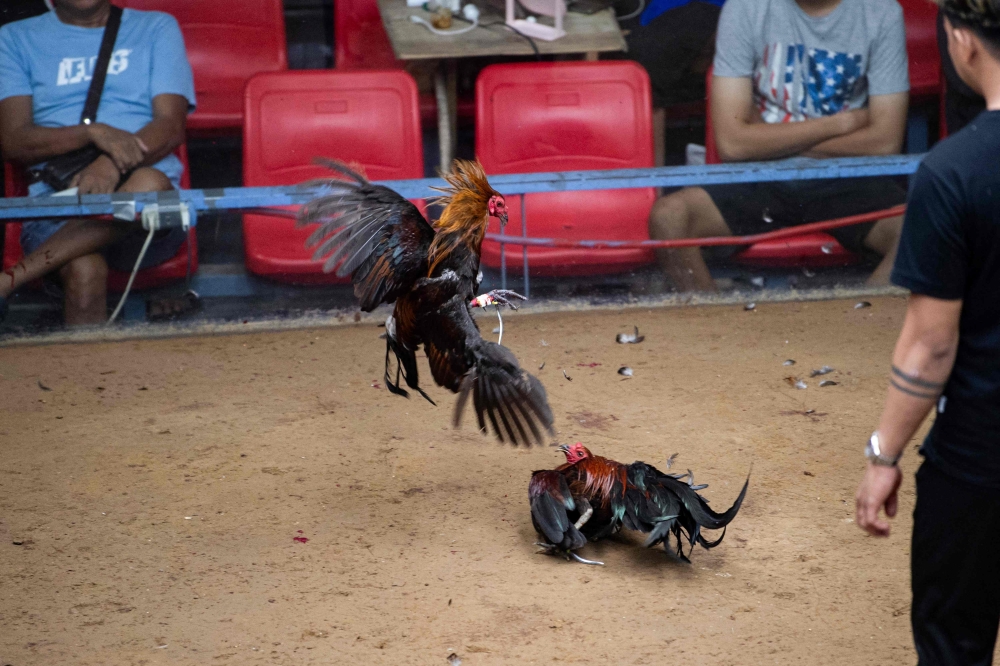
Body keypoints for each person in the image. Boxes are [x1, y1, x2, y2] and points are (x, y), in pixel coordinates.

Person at [854, 1, 1000, 663]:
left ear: (962, 42)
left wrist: (884, 455)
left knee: (954, 646)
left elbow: (931, 343)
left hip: (980, 460)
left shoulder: (953, 171)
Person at [648, 0, 910, 292]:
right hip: (760, 176)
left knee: (924, 229)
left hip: (846, 177)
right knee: (669, 218)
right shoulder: (746, 8)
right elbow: (733, 145)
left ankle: (854, 325)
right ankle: (717, 329)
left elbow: (885, 142)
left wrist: (767, 137)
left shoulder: (881, 12)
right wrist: (843, 123)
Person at [0, 0, 195, 325]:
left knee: (149, 182)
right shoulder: (14, 38)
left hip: (153, 218)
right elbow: (13, 141)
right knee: (84, 268)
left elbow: (171, 126)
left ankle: (8, 281)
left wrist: (110, 165)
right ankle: (88, 375)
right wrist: (94, 134)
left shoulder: (157, 27)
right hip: (58, 205)